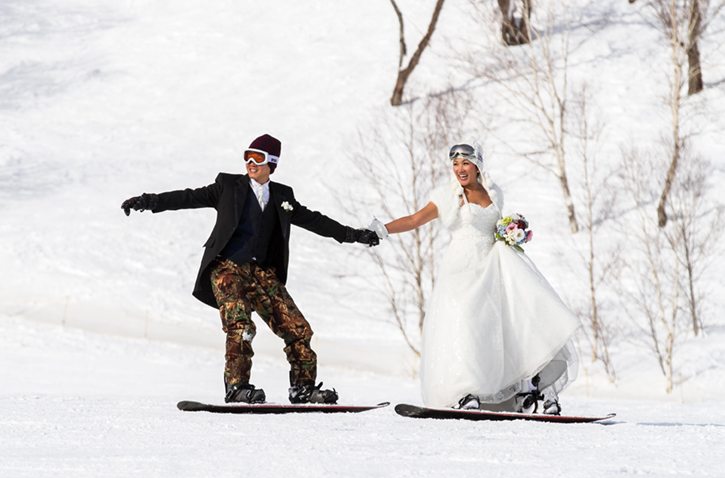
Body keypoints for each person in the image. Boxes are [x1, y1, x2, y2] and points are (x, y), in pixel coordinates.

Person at [121, 133, 379, 404]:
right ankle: (237, 386)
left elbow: (316, 221)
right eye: (247, 157)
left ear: (272, 163)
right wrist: (146, 201)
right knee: (241, 325)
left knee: (298, 328)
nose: (250, 163)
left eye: (257, 158)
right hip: (227, 268)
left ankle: (303, 387)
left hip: (262, 273)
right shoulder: (228, 186)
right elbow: (187, 197)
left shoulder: (283, 196)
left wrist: (356, 235)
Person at [369, 143, 579, 414]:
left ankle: (534, 390)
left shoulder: (494, 193)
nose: (459, 169)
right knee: (467, 326)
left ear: (477, 165)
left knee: (513, 322)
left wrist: (512, 232)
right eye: (455, 164)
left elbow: (495, 228)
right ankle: (466, 390)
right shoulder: (448, 196)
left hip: (492, 267)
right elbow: (415, 219)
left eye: (465, 163)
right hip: (461, 271)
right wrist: (381, 230)